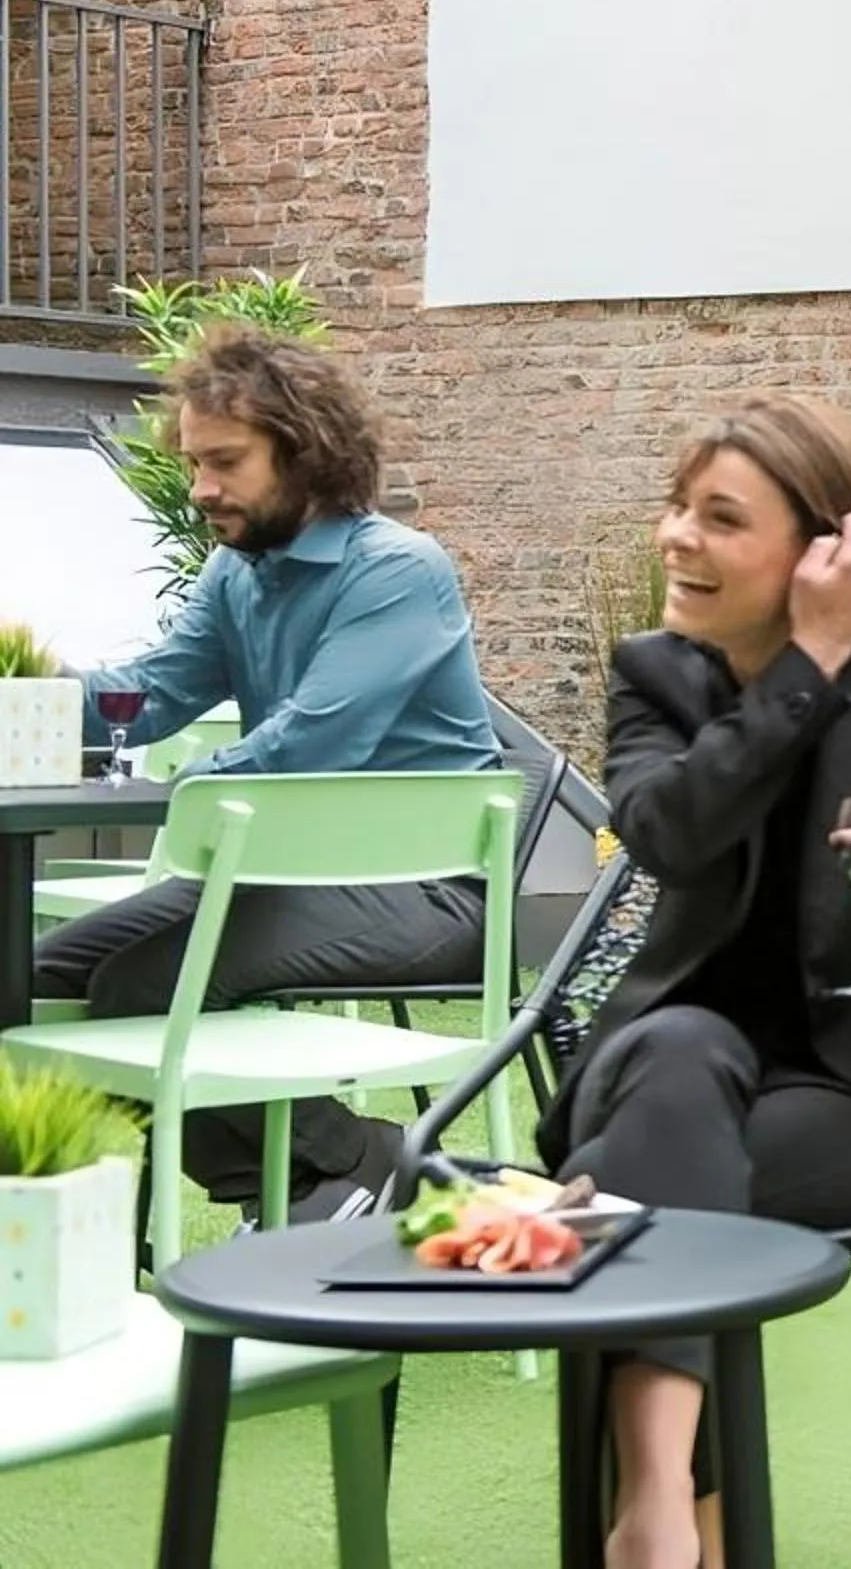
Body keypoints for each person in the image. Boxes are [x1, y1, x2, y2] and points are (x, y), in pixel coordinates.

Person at [542, 395, 851, 1569]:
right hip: (671, 1057)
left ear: (830, 548)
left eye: (719, 518)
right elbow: (666, 832)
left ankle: (664, 1517)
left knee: (616, 1196)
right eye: (677, 508)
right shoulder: (658, 675)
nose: (675, 537)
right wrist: (807, 662)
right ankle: (671, 1508)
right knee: (677, 1064)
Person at [35, 325, 501, 1223]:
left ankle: (340, 1168)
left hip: (425, 891)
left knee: (144, 986)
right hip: (276, 874)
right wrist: (27, 693)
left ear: (307, 454)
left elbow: (308, 745)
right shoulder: (234, 571)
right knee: (38, 978)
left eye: (226, 462)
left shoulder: (399, 571)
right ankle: (298, 1183)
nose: (201, 487)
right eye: (195, 463)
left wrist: (193, 792)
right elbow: (149, 695)